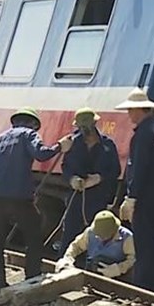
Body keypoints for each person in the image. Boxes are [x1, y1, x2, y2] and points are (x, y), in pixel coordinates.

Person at [0, 107, 73, 292]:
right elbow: (41, 154)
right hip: (18, 196)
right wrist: (60, 146)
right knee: (33, 237)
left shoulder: (0, 138)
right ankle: (32, 277)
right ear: (33, 123)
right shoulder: (28, 134)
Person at [112, 88, 154, 292]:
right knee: (152, 239)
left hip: (145, 195)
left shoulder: (143, 134)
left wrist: (132, 196)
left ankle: (144, 286)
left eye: (131, 110)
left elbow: (138, 167)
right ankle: (152, 283)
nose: (129, 115)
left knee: (143, 240)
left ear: (139, 110)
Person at [58, 107, 122, 257]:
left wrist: (100, 178)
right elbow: (65, 167)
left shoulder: (108, 145)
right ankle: (65, 261)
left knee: (96, 233)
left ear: (94, 124)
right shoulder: (72, 144)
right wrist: (72, 179)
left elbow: (115, 171)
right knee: (70, 230)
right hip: (76, 195)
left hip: (98, 197)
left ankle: (91, 265)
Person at [55, 210, 135, 279]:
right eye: (98, 236)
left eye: (103, 236)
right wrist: (67, 258)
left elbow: (133, 259)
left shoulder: (127, 238)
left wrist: (119, 269)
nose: (99, 238)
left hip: (116, 278)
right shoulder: (90, 232)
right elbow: (76, 246)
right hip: (91, 272)